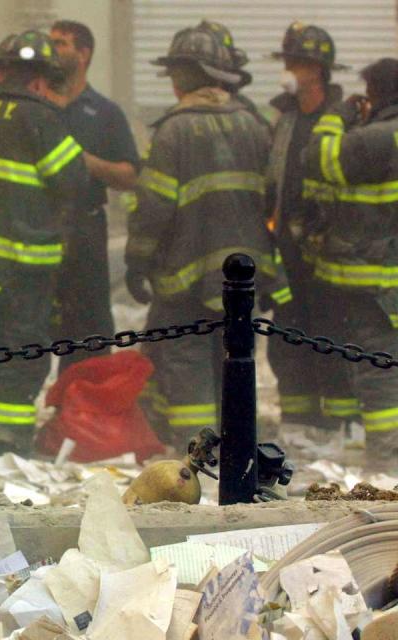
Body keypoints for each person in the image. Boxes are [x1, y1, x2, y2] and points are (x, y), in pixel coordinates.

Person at [128, 27, 288, 449]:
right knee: (236, 360)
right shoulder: (254, 127)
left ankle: (198, 455)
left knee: (186, 360)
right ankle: (238, 449)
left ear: (187, 76)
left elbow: (153, 210)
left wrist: (136, 261)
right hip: (243, 279)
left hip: (185, 278)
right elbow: (271, 199)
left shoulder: (172, 132)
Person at [0, 31, 89, 455]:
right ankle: (4, 441)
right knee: (18, 352)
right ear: (41, 81)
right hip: (21, 264)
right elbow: (73, 180)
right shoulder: (41, 119)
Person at [302, 57, 398, 470]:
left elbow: (318, 159)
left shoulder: (377, 138)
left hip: (377, 284)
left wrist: (335, 117)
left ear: (375, 94)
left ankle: (385, 464)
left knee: (379, 369)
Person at [265, 22, 357, 431]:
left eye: (297, 62)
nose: (289, 68)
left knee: (331, 335)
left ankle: (337, 425)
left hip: (329, 250)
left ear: (317, 69)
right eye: (288, 60)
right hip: (285, 247)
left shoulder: (342, 119)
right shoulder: (283, 117)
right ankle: (298, 422)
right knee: (287, 335)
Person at [49, 20, 140, 346]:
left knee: (87, 332)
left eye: (60, 43)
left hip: (85, 230)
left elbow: (130, 176)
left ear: (83, 54)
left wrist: (86, 161)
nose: (52, 49)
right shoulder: (36, 108)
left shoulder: (104, 113)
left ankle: (77, 397)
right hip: (37, 230)